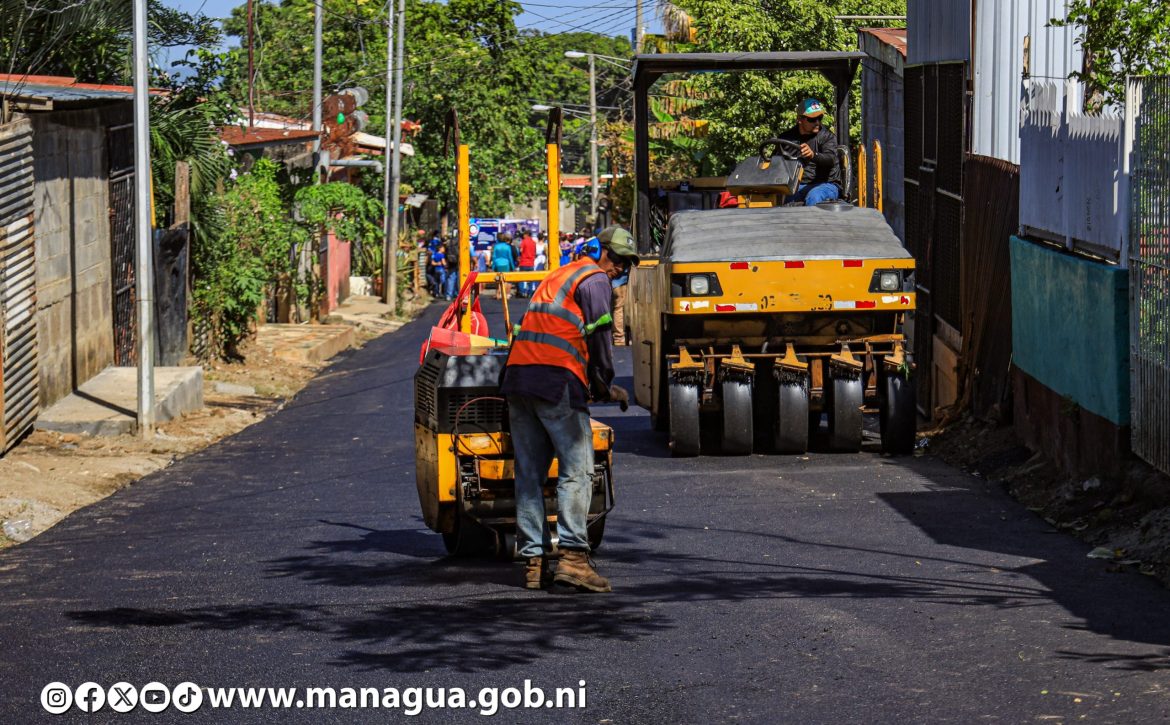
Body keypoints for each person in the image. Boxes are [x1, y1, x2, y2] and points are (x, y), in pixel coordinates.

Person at [500, 225, 639, 593]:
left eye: (626, 265)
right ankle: (574, 560)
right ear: (602, 253)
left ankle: (533, 562)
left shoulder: (560, 273)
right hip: (555, 380)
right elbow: (599, 336)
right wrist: (604, 383)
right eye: (619, 261)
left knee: (529, 475)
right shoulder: (594, 281)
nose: (619, 270)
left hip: (518, 379)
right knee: (577, 471)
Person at [778, 98, 842, 206]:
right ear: (799, 119)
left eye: (819, 118)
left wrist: (813, 155)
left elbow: (831, 159)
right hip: (797, 185)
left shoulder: (827, 137)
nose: (817, 122)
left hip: (826, 184)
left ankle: (813, 223)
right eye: (812, 119)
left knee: (814, 196)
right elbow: (775, 161)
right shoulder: (786, 138)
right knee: (778, 197)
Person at [491, 232, 516, 299]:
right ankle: (504, 294)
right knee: (505, 280)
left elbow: (494, 257)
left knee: (498, 279)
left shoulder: (496, 246)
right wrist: (513, 267)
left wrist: (493, 267)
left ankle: (498, 293)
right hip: (506, 264)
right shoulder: (507, 247)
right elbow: (510, 257)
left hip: (497, 264)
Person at [517, 227, 538, 297]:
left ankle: (522, 292)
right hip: (531, 263)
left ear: (526, 234)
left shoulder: (524, 241)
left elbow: (520, 250)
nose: (523, 235)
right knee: (531, 279)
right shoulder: (534, 242)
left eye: (524, 234)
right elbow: (535, 252)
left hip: (523, 262)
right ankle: (530, 292)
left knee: (521, 278)